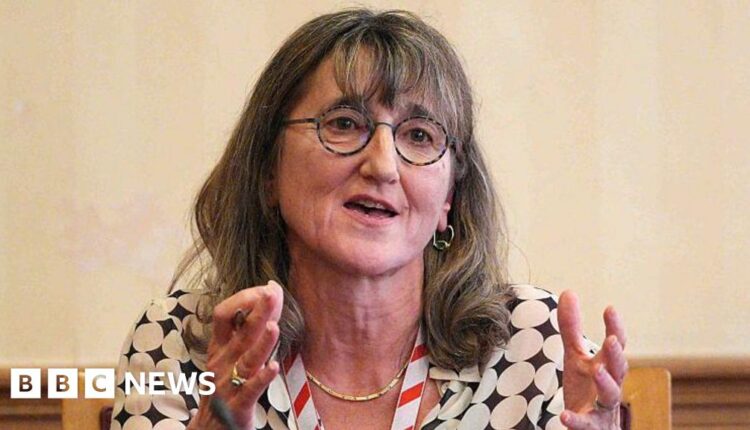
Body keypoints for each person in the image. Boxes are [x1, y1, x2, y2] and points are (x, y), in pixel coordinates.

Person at [111, 8, 627, 430]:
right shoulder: (176, 341)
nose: (382, 165)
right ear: (268, 170)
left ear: (448, 198)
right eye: (343, 123)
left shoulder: (533, 341)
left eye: (419, 136)